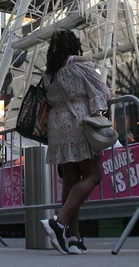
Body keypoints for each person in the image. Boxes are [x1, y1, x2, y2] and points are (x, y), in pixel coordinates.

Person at [40, 30, 113, 255]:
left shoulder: (48, 74)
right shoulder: (79, 64)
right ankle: (59, 222)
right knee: (93, 175)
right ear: (74, 45)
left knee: (71, 183)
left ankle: (74, 239)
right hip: (79, 120)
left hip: (57, 125)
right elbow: (102, 91)